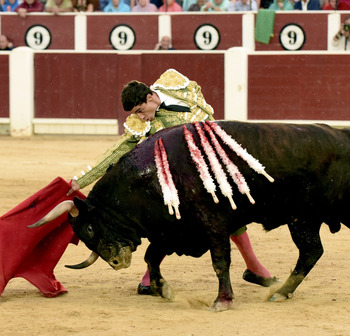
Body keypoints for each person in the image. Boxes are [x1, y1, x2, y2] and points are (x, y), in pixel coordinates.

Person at [67, 69, 278, 294]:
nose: (140, 117)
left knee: (231, 215)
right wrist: (82, 180)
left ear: (150, 97)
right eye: (135, 113)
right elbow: (117, 150)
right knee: (174, 224)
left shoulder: (176, 86)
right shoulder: (142, 123)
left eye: (140, 110)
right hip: (179, 180)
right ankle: (149, 279)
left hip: (211, 168)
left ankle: (253, 267)